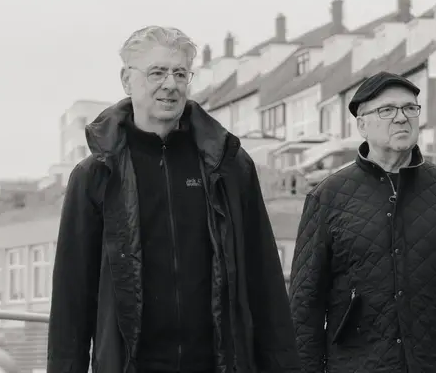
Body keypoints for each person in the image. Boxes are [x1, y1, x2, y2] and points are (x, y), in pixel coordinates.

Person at [48, 26, 300, 373]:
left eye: (180, 73)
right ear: (127, 80)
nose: (170, 84)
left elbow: (265, 281)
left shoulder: (228, 166)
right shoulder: (95, 175)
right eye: (157, 72)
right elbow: (71, 301)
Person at [289, 71, 436, 373]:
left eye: (410, 108)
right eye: (387, 110)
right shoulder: (328, 197)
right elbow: (303, 309)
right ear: (362, 124)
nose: (402, 118)